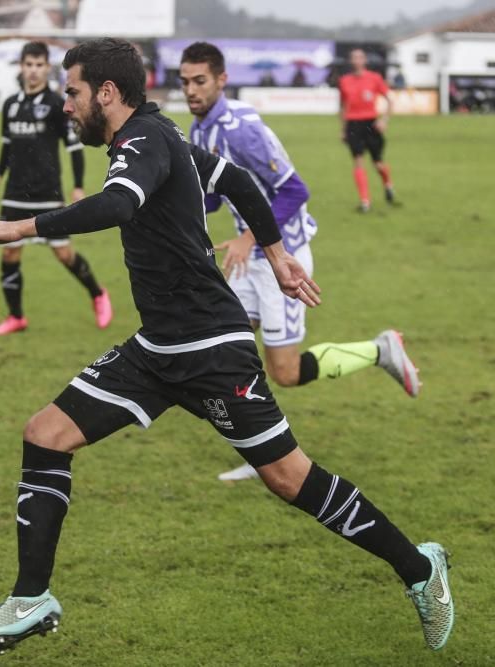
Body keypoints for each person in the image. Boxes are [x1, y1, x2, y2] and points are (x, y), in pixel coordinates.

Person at [0, 37, 453, 657]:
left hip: (213, 350)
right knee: (45, 435)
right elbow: (239, 181)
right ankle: (31, 599)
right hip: (157, 349)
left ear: (106, 94)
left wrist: (16, 227)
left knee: (289, 479)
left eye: (74, 92)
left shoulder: (142, 141)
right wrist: (276, 255)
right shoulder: (159, 138)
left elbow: (117, 204)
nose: (66, 104)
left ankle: (419, 569)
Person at [180, 41, 421, 482]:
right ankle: (265, 454)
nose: (191, 90)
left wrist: (249, 238)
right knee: (225, 354)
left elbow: (294, 191)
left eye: (200, 81)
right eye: (185, 82)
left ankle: (379, 350)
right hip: (247, 255)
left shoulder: (241, 130)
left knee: (285, 372)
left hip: (281, 258)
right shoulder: (199, 130)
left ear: (221, 80)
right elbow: (214, 195)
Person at [0, 41, 112, 335]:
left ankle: (98, 293)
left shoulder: (57, 104)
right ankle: (16, 317)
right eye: (28, 64)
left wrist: (78, 186)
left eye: (39, 65)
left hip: (46, 193)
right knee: (9, 255)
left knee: (64, 255)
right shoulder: (10, 104)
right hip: (15, 193)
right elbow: (7, 146)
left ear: (46, 68)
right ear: (21, 66)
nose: (33, 71)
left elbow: (73, 148)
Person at [339, 48, 398, 212]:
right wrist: (343, 129)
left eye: (360, 57)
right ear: (351, 61)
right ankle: (365, 201)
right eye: (354, 57)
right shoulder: (344, 81)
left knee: (377, 163)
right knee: (358, 160)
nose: (357, 60)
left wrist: (384, 119)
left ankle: (388, 184)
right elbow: (343, 106)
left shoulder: (374, 78)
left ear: (365, 60)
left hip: (371, 124)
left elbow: (389, 100)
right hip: (353, 125)